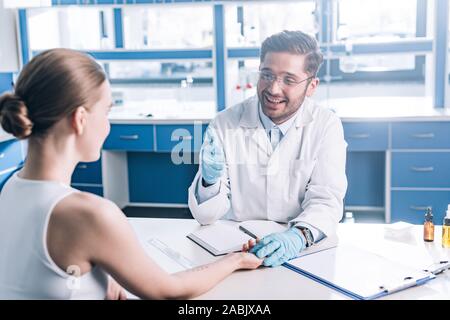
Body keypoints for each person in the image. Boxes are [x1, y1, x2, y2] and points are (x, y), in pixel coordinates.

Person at [0, 49, 262, 300]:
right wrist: (235, 260)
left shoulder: (7, 185)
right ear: (79, 119)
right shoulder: (88, 215)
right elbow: (169, 290)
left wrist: (96, 277)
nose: (107, 125)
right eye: (106, 111)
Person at [188, 30, 347, 267]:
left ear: (311, 86)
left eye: (289, 80)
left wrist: (297, 237)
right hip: (235, 250)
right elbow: (205, 215)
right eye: (267, 75)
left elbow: (326, 200)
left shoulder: (325, 125)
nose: (273, 89)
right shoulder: (225, 123)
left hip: (300, 249)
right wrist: (210, 182)